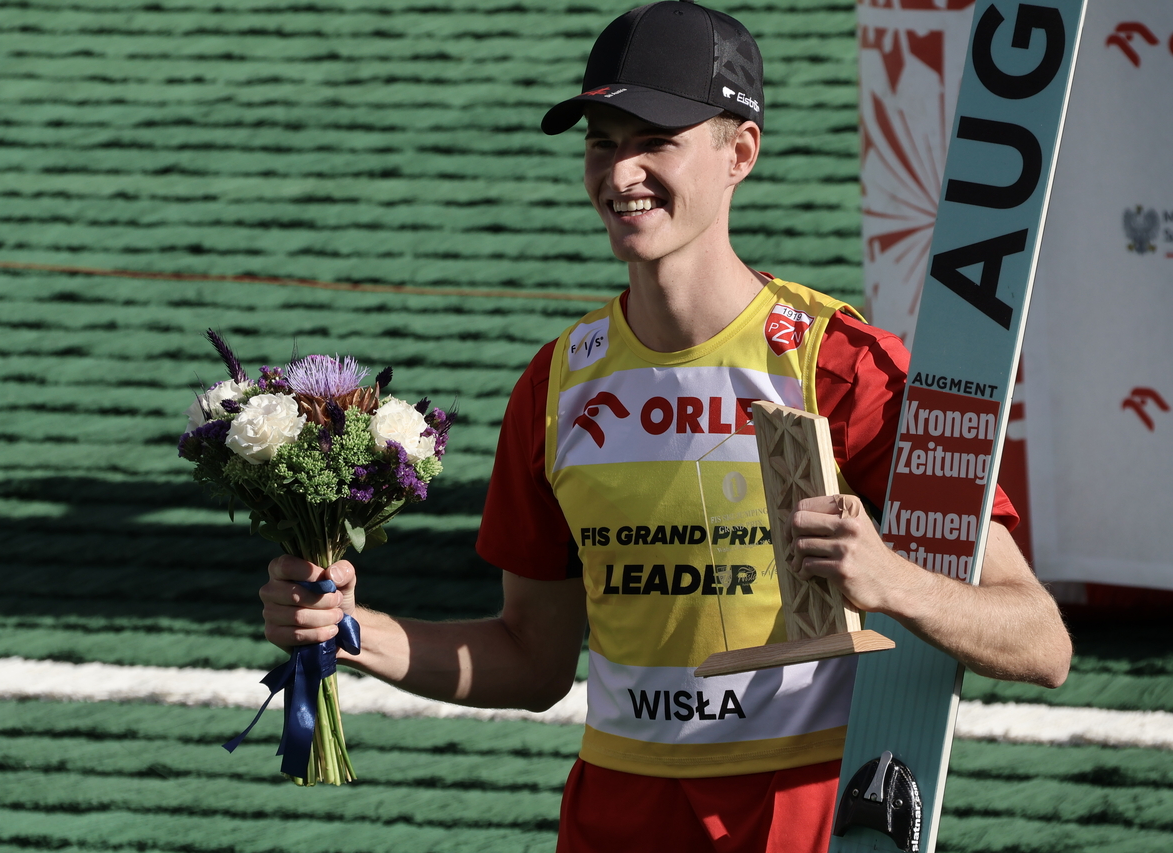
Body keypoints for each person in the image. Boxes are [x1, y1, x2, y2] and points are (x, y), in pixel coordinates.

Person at [259, 3, 1072, 850]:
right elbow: (531, 659)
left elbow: (1040, 640)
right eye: (603, 142)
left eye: (656, 140)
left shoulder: (841, 367)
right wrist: (350, 631)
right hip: (615, 817)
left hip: (798, 817)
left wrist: (891, 579)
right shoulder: (555, 384)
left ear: (740, 153)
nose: (621, 173)